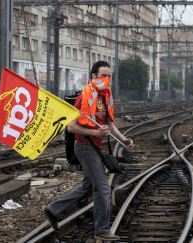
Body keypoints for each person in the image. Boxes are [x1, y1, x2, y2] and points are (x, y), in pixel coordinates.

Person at [43, 61, 133, 241]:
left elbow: (109, 124)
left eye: (108, 76)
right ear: (93, 76)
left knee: (87, 187)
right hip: (84, 146)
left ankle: (53, 209)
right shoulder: (84, 97)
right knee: (102, 188)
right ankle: (102, 229)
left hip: (95, 147)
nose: (106, 79)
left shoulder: (105, 96)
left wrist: (123, 140)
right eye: (102, 76)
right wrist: (95, 132)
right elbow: (71, 127)